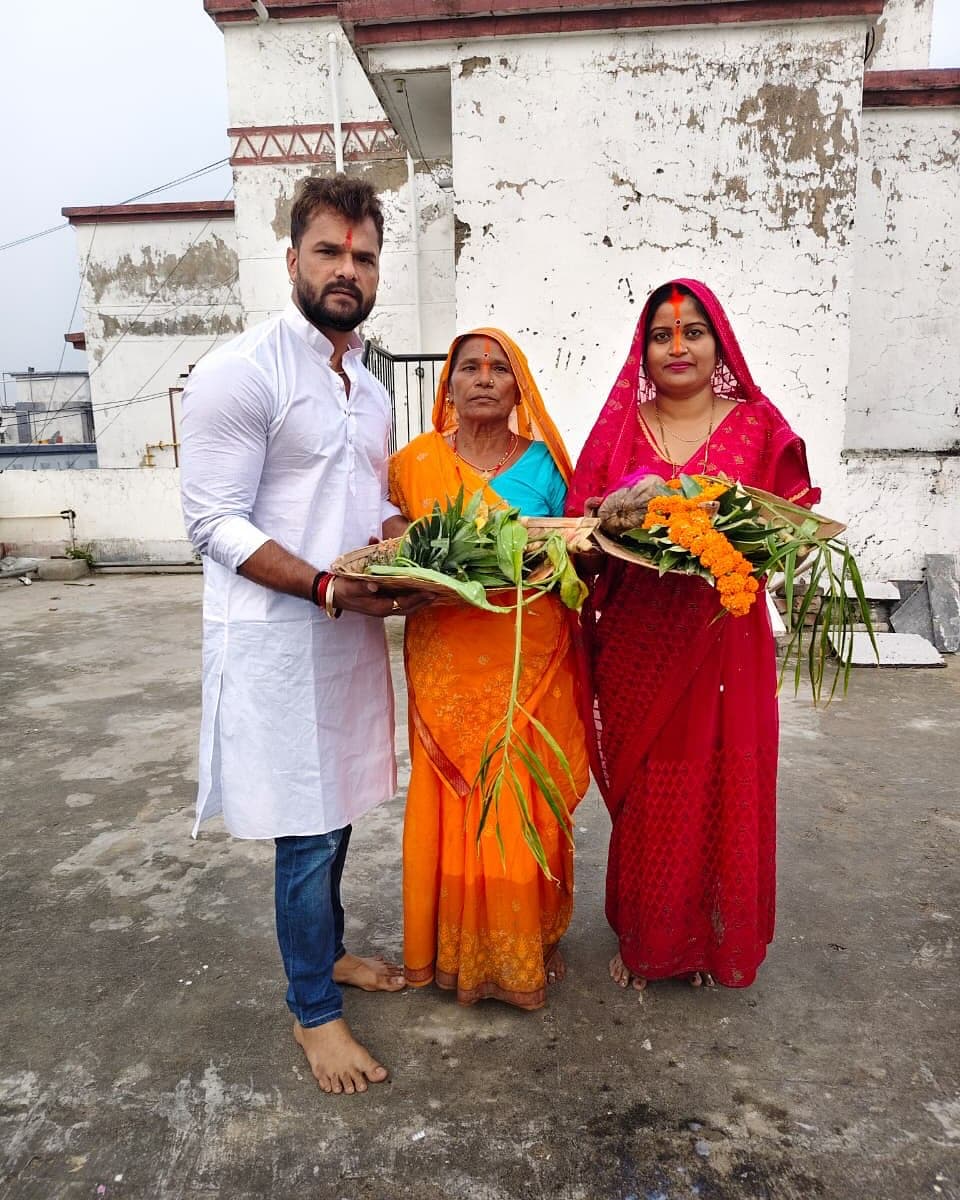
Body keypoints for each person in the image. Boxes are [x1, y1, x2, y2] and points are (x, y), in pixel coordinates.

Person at [180, 174, 430, 1095]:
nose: (346, 270)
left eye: (363, 256)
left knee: (339, 811)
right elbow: (213, 523)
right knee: (305, 829)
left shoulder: (367, 388)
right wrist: (326, 584)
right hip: (279, 642)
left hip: (348, 638)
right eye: (328, 251)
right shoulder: (241, 373)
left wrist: (404, 543)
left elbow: (360, 503)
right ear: (292, 260)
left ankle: (323, 961)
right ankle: (312, 1012)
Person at [566, 279, 821, 992]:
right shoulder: (620, 429)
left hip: (723, 642)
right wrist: (610, 528)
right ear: (641, 351)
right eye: (660, 334)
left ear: (719, 344)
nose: (677, 347)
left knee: (722, 780)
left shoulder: (758, 426)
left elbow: (794, 528)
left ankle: (710, 938)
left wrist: (750, 554)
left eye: (693, 331)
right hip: (639, 641)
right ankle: (650, 939)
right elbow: (578, 529)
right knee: (653, 786)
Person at [389, 328, 590, 1010]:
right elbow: (391, 527)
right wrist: (392, 538)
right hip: (445, 656)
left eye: (497, 369)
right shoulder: (412, 463)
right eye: (467, 368)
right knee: (454, 797)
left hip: (526, 660)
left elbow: (578, 550)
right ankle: (450, 949)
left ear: (518, 387)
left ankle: (524, 937)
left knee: (522, 794)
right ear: (448, 384)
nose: (481, 378)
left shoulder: (547, 468)